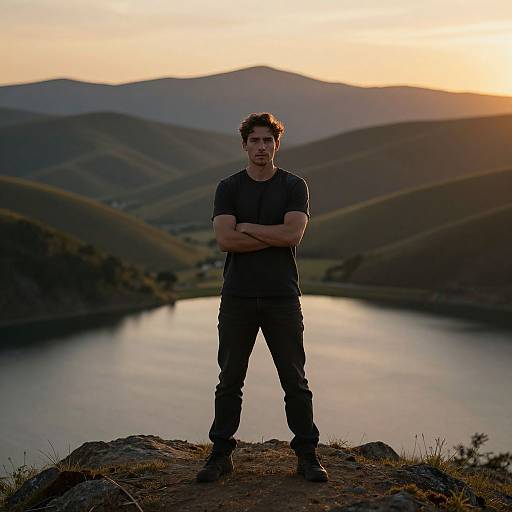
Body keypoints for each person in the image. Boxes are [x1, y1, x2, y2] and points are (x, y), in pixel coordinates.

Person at [196, 112, 328, 483]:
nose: (261, 147)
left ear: (277, 144)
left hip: (281, 298)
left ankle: (307, 455)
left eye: (267, 140)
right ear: (244, 145)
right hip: (237, 297)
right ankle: (220, 455)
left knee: (295, 381)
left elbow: (292, 237)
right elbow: (225, 240)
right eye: (254, 141)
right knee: (229, 379)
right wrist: (271, 233)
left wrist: (249, 227)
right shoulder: (229, 187)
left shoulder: (293, 185)